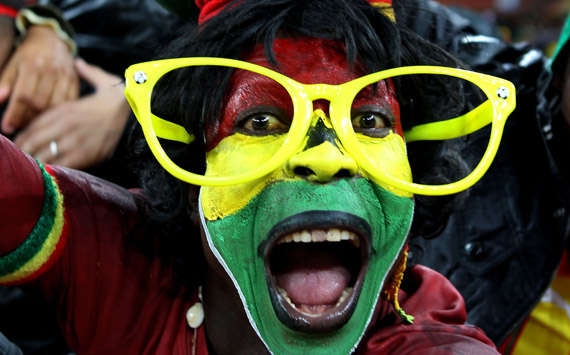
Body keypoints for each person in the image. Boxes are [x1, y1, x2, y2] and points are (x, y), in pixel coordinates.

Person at [0, 0, 515, 353]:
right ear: (194, 167)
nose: (326, 159)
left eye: (370, 122)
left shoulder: (424, 336)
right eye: (262, 121)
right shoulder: (123, 264)